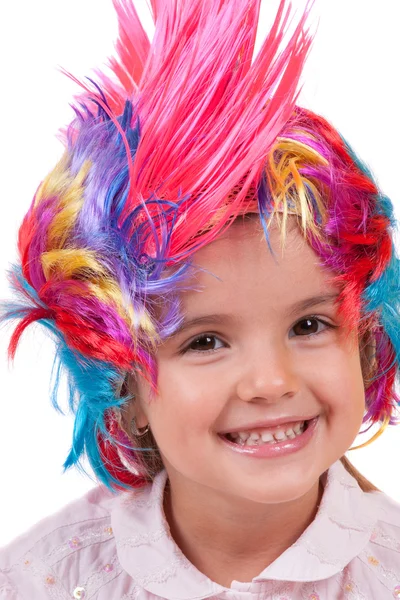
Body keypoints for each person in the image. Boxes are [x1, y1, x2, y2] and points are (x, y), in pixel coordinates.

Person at [1, 0, 400, 597]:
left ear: (365, 342)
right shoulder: (46, 579)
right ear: (123, 387)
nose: (270, 381)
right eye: (206, 340)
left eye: (310, 325)